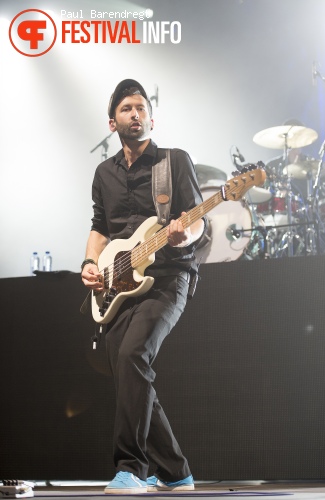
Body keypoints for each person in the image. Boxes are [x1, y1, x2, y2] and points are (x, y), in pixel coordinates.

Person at [81, 79, 206, 495]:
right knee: (128, 371)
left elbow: (197, 219)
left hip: (169, 277)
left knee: (135, 354)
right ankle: (176, 472)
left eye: (141, 107)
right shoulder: (104, 173)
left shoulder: (173, 162)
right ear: (112, 122)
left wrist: (184, 236)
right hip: (118, 285)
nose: (136, 113)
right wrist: (88, 263)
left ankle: (131, 468)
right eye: (126, 109)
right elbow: (100, 227)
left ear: (151, 116)